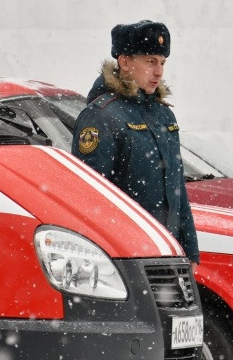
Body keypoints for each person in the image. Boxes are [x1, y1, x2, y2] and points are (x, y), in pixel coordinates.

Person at [72, 20, 199, 270]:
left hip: (168, 250)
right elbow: (91, 198)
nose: (159, 72)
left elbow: (177, 189)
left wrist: (191, 250)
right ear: (125, 61)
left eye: (162, 62)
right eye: (150, 61)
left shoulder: (163, 114)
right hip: (128, 257)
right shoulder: (101, 116)